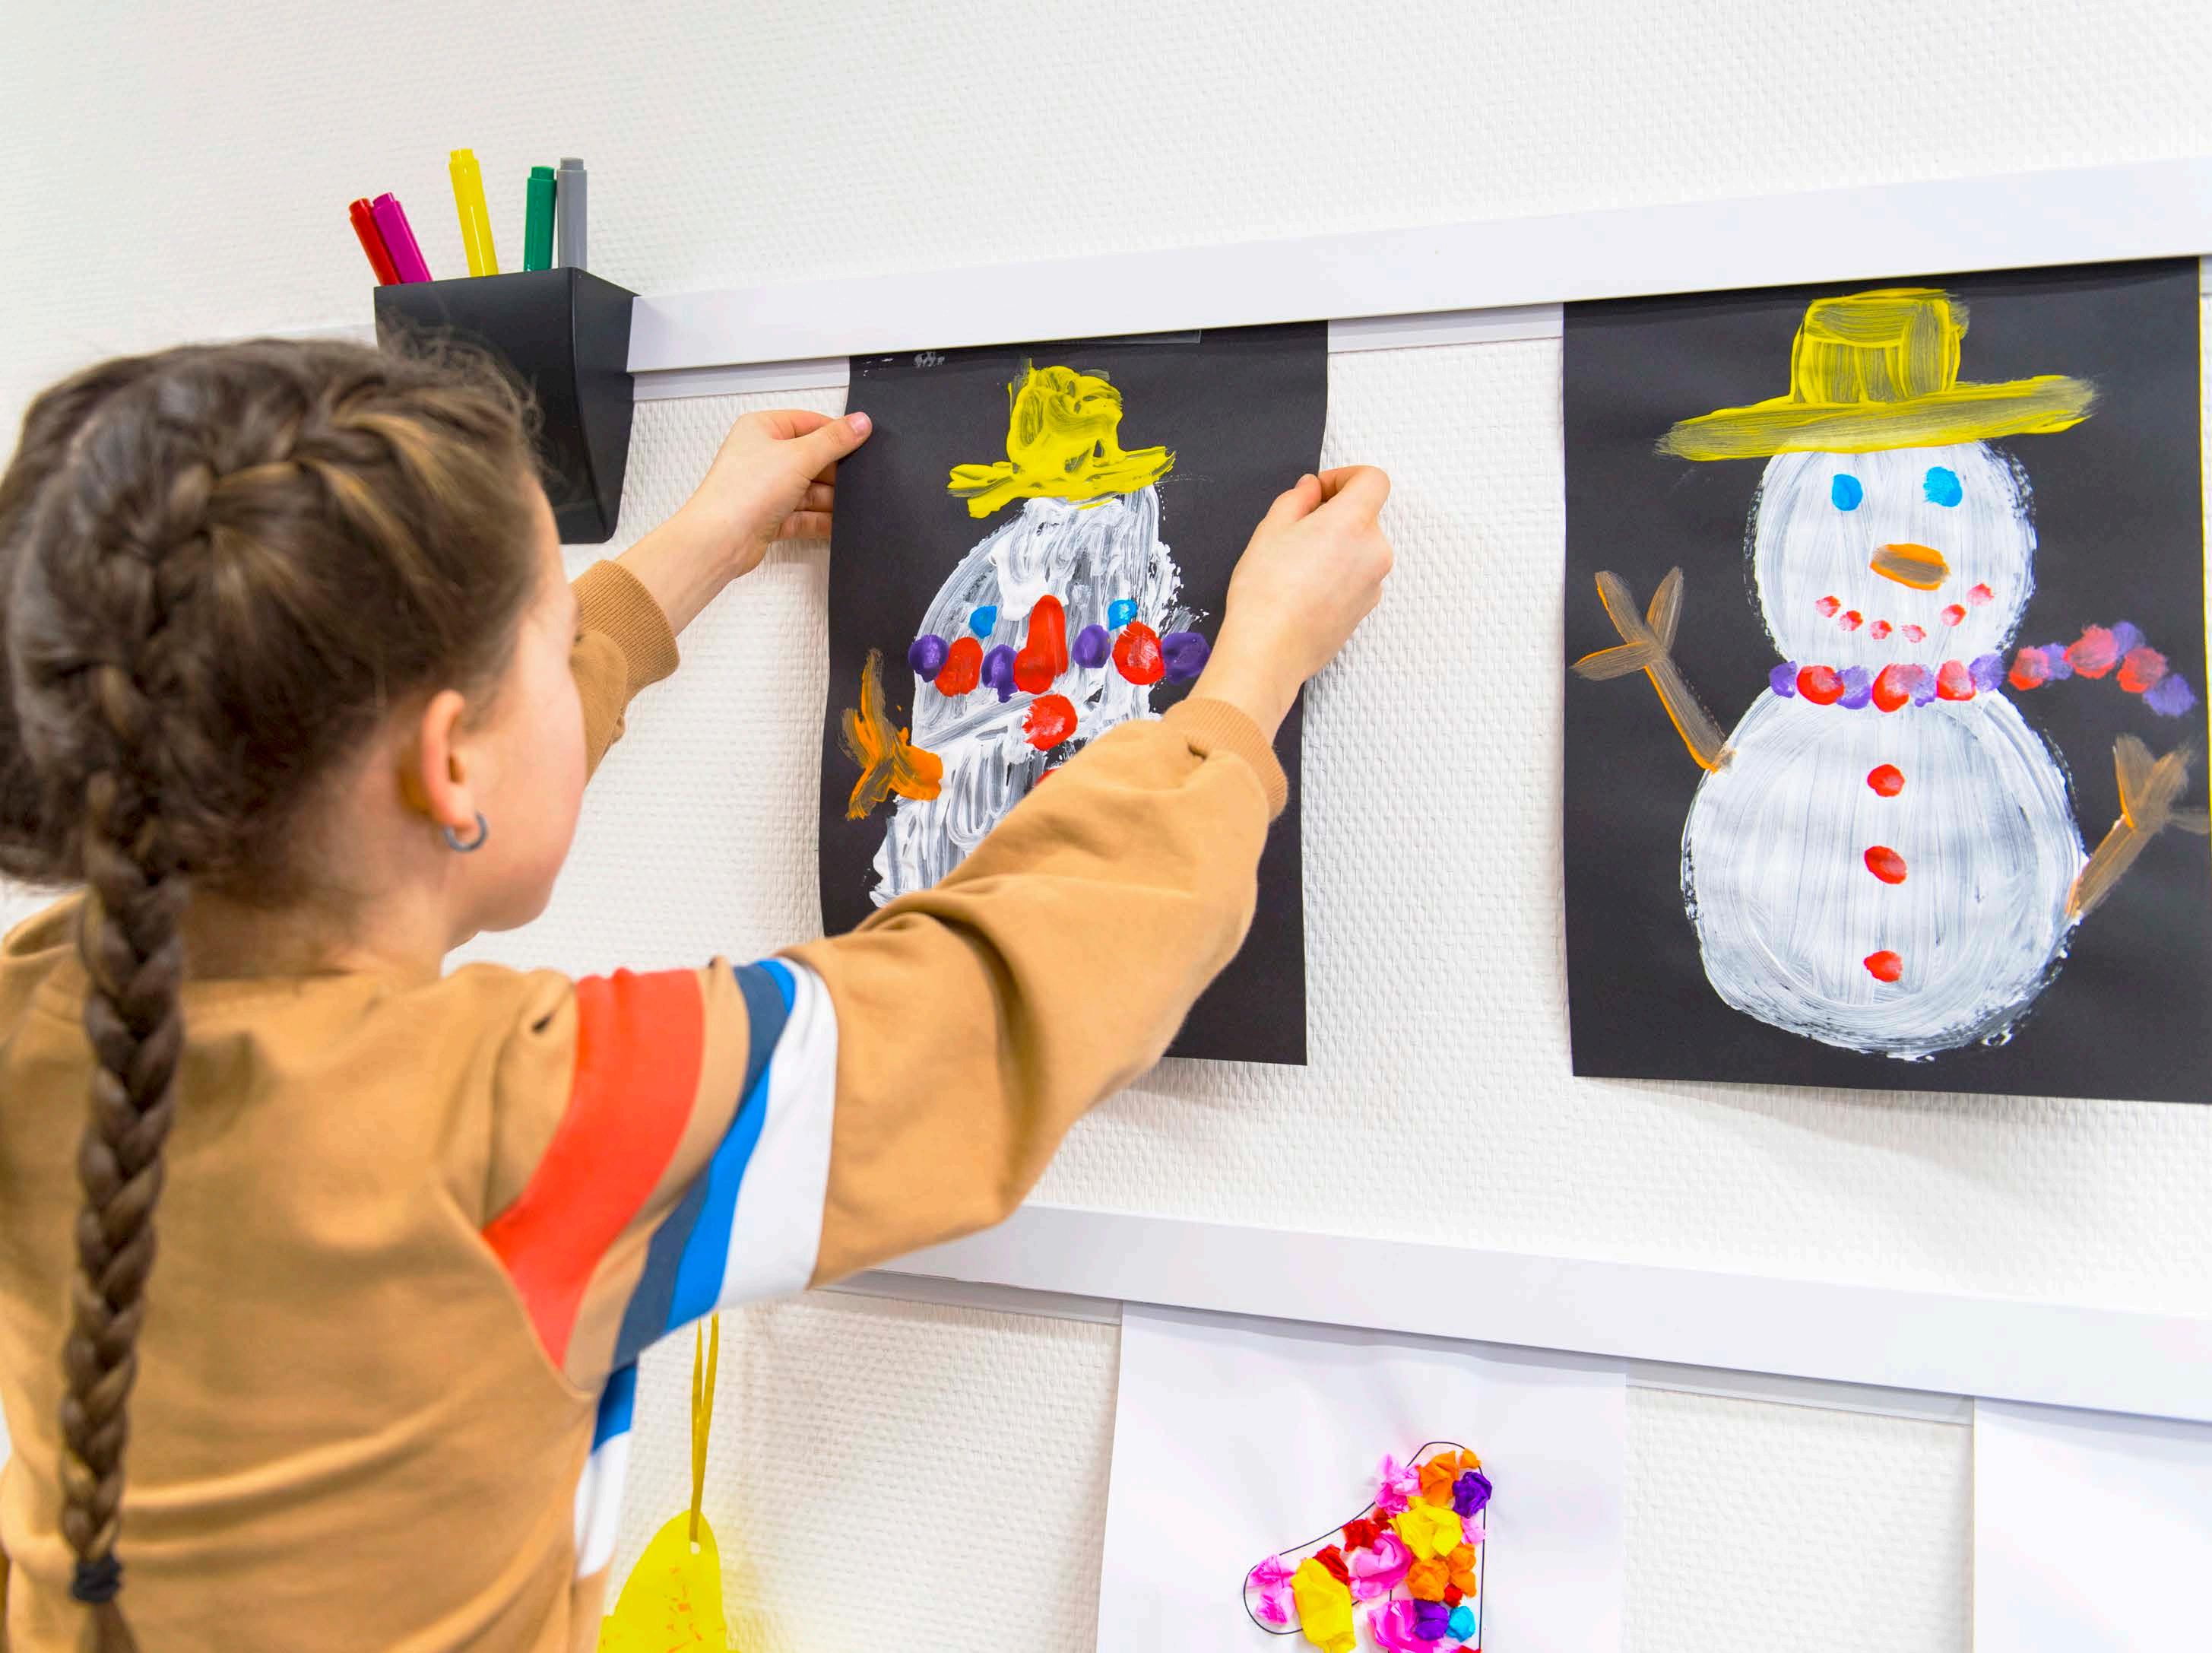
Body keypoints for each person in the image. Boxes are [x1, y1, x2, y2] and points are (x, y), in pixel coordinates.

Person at [0, 338, 1392, 1650]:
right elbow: (989, 1000)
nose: (570, 658)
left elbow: (418, 774)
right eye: (548, 638)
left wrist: (692, 550)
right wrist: (1246, 677)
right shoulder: (543, 1113)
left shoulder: (39, 1018)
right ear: (446, 763)